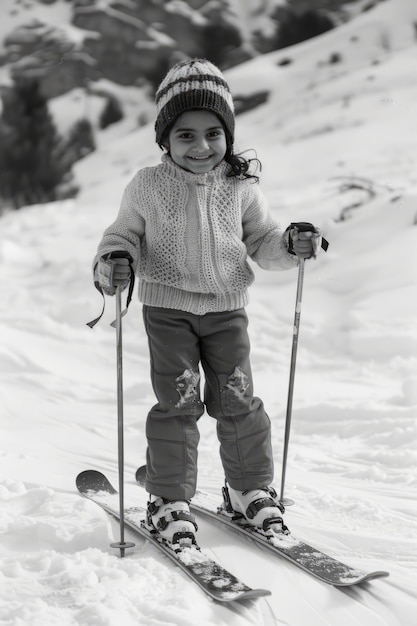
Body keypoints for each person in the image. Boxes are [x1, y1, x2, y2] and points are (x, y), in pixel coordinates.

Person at [93, 58, 324, 547]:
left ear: (229, 134)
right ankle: (168, 499)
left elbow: (261, 239)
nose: (201, 147)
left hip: (226, 311)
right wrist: (115, 260)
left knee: (238, 401)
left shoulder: (239, 185)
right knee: (178, 404)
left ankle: (248, 491)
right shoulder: (147, 186)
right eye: (186, 135)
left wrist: (289, 244)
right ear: (165, 139)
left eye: (213, 133)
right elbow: (123, 235)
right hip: (168, 311)